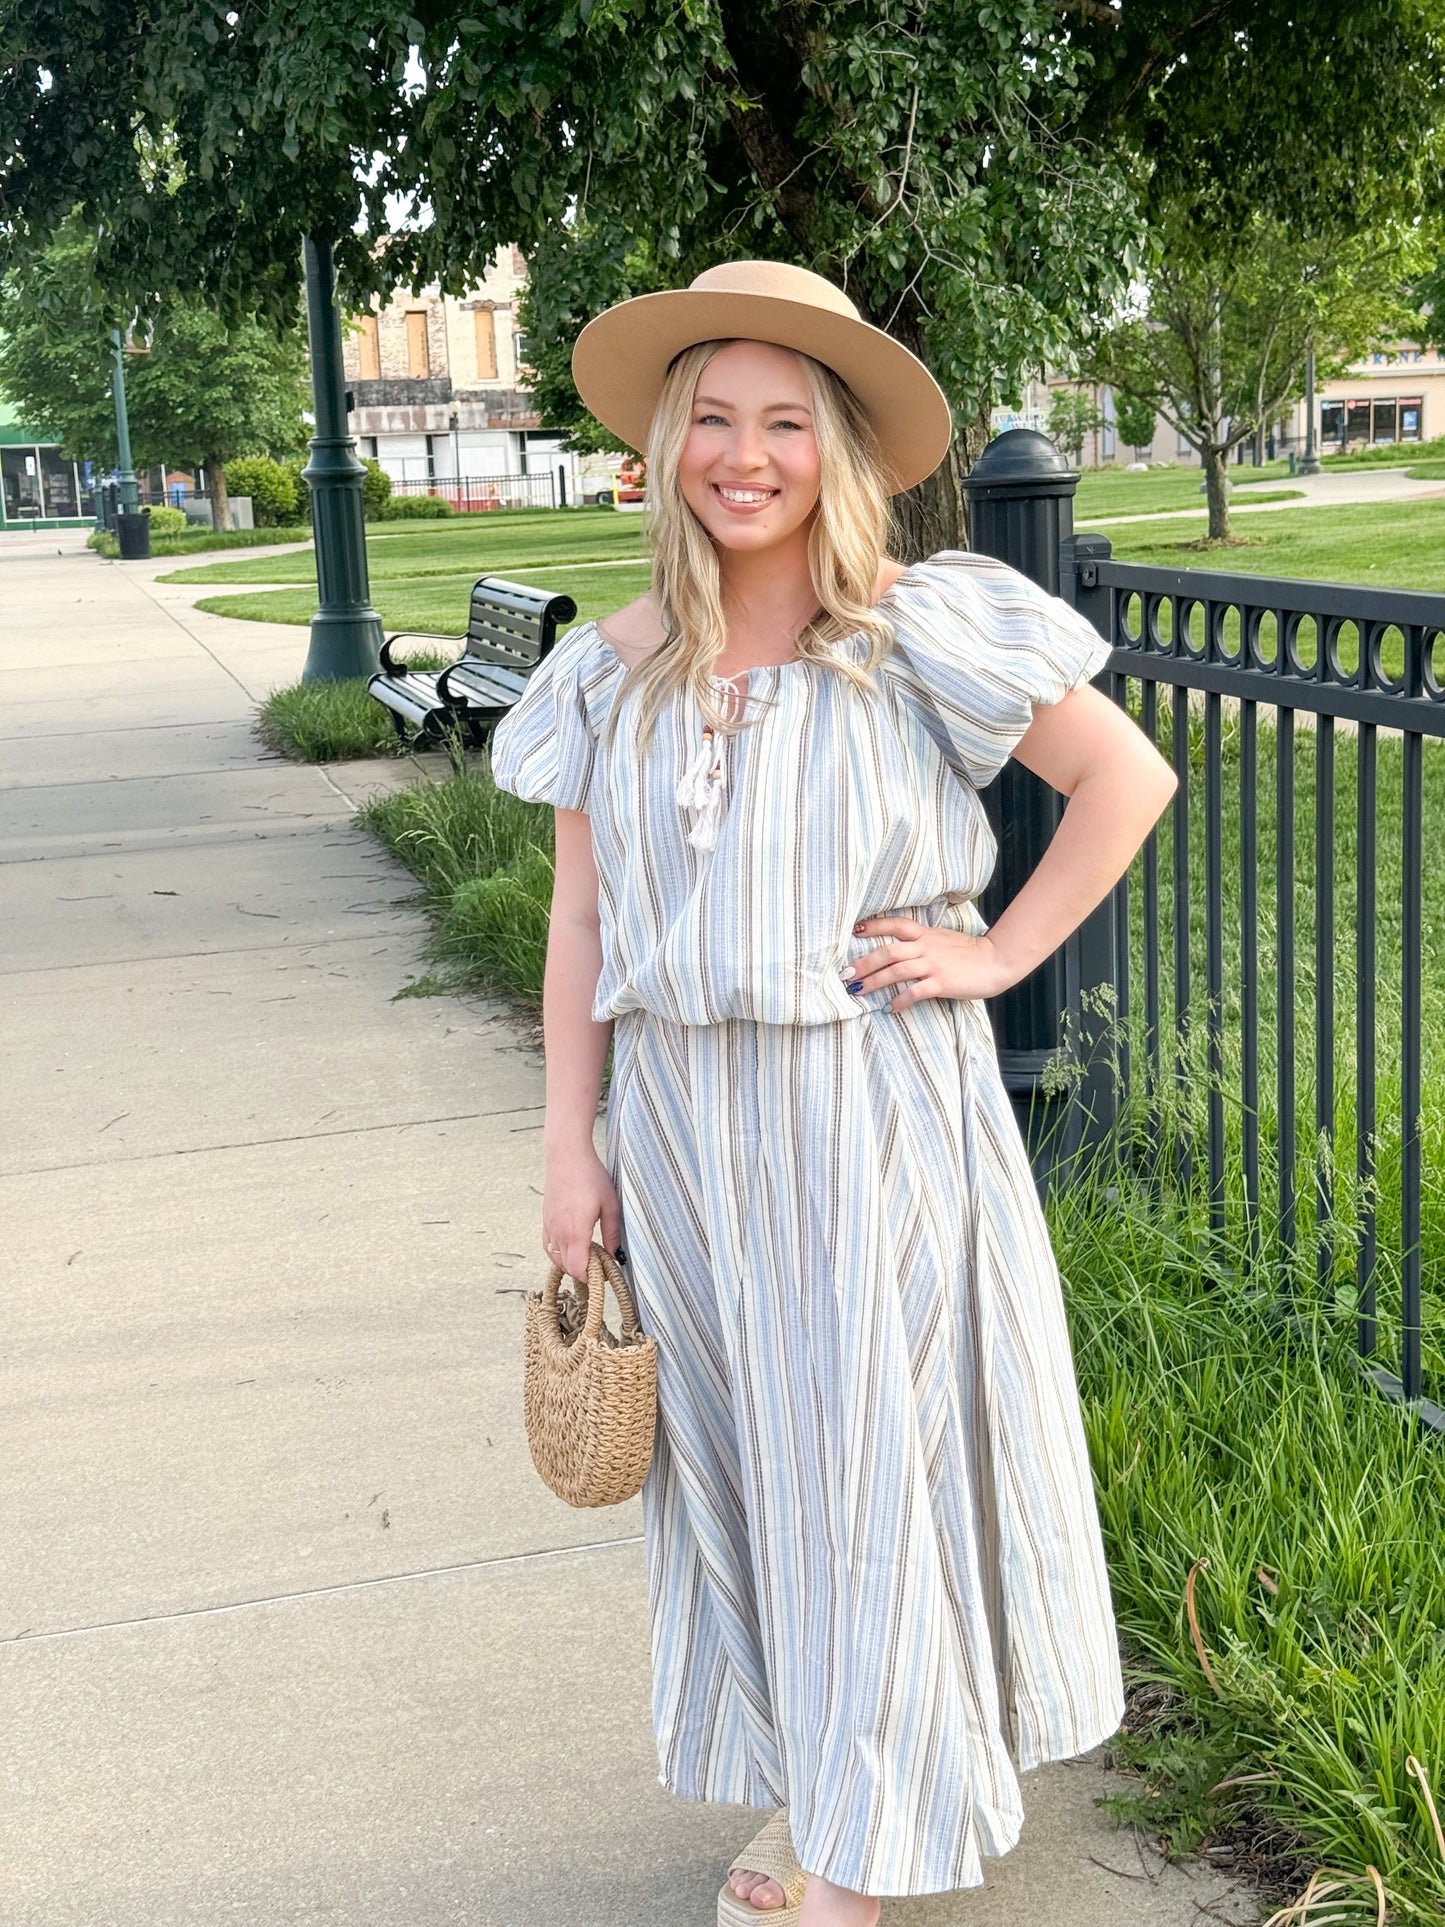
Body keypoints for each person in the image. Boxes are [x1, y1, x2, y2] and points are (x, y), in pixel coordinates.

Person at [489, 260, 1177, 1927]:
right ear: (663, 447)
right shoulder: (610, 675)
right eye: (711, 418)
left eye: (783, 422)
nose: (745, 454)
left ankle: (857, 1848)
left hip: (871, 1118)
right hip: (679, 1131)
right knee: (745, 1474)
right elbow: (583, 928)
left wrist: (998, 957)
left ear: (837, 450)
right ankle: (832, 1778)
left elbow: (1123, 778)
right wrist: (565, 1146)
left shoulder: (914, 629)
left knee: (864, 1469)